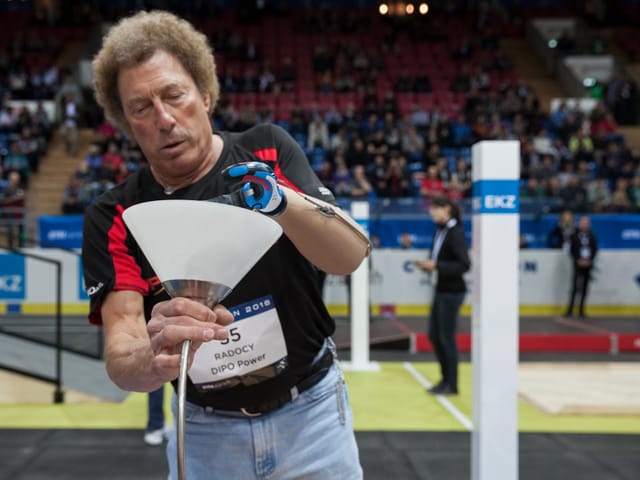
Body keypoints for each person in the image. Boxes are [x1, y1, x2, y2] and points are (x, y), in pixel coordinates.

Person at [81, 11, 369, 480]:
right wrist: (153, 358)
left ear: (206, 94)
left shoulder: (268, 153)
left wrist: (285, 203)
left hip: (312, 416)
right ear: (125, 123)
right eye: (140, 108)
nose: (164, 118)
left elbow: (350, 255)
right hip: (203, 433)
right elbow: (122, 352)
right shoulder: (115, 215)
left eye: (174, 95)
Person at [413, 196, 470, 395]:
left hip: (452, 291)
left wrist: (436, 266)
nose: (431, 213)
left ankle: (451, 383)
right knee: (435, 335)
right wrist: (430, 265)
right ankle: (445, 379)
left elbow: (464, 264)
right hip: (442, 288)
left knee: (446, 337)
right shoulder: (441, 230)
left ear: (446, 209)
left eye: (435, 209)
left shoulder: (455, 232)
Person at [564, 216, 598, 318]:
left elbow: (594, 249)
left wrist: (589, 260)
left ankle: (581, 310)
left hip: (588, 264)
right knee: (575, 286)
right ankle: (570, 310)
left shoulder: (592, 236)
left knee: (585, 287)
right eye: (583, 222)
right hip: (577, 264)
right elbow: (571, 250)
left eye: (586, 223)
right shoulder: (574, 236)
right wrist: (578, 259)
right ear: (579, 224)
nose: (585, 225)